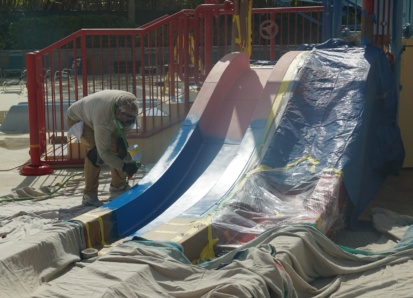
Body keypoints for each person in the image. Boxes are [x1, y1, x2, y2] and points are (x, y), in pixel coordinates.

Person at [67, 89, 140, 207]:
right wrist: (124, 166)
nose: (127, 120)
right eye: (125, 116)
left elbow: (122, 137)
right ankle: (89, 195)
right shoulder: (103, 120)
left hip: (95, 112)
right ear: (117, 112)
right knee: (95, 154)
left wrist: (127, 158)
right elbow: (104, 152)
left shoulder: (130, 103)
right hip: (79, 118)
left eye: (130, 118)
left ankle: (118, 185)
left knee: (119, 147)